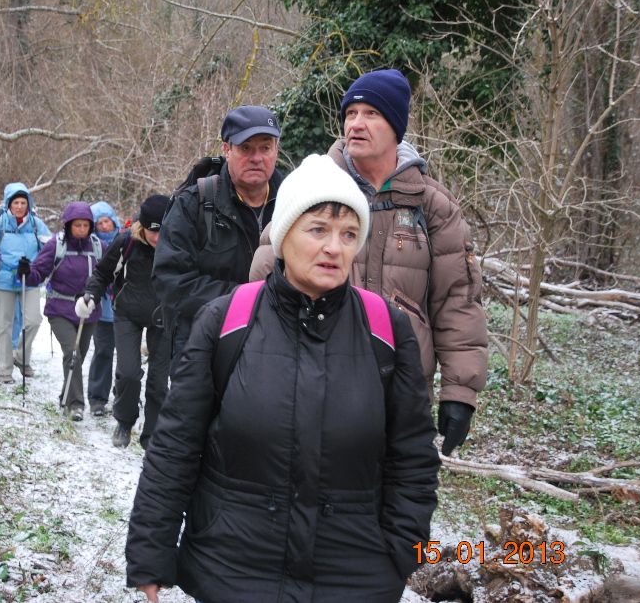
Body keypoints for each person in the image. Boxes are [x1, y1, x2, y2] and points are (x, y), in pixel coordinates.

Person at [126, 155, 440, 603]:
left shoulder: (387, 330)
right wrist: (150, 550)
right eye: (318, 230)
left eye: (349, 234)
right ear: (283, 234)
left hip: (354, 576)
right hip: (232, 570)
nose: (335, 247)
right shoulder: (226, 320)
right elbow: (176, 444)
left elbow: (413, 457)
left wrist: (401, 553)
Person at [250, 69, 487, 456]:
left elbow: (457, 298)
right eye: (351, 114)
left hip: (400, 385)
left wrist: (460, 390)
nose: (356, 124)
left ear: (396, 126)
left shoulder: (433, 206)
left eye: (372, 114)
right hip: (311, 375)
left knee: (391, 499)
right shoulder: (314, 186)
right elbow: (263, 275)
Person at [152, 105, 285, 374]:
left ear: (276, 151)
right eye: (245, 148)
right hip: (202, 347)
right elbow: (169, 280)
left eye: (265, 147)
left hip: (274, 349)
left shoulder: (295, 206)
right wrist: (244, 299)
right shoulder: (194, 205)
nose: (257, 157)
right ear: (226, 150)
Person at [79, 195, 171, 450]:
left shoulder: (178, 243)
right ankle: (124, 421)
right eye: (153, 231)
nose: (158, 237)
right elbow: (102, 273)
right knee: (129, 373)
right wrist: (90, 295)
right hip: (127, 312)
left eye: (163, 230)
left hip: (163, 316)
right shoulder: (126, 241)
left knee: (159, 382)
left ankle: (152, 436)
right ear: (143, 226)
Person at [19, 201, 102, 421]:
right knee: (72, 353)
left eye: (85, 225)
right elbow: (39, 272)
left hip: (88, 310)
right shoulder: (57, 245)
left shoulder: (97, 246)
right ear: (68, 225)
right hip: (60, 309)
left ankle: (66, 395)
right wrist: (27, 272)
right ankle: (76, 405)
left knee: (78, 357)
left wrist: (97, 294)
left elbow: (107, 277)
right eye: (77, 225)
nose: (82, 230)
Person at [0, 183, 50, 384]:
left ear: (28, 204)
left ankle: (21, 357)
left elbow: (51, 250)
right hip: (4, 280)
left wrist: (40, 267)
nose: (19, 206)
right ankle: (5, 370)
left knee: (34, 320)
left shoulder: (36, 225)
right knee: (4, 326)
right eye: (16, 202)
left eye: (23, 203)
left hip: (30, 279)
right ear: (9, 203)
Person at [86, 201, 122, 416]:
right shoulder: (92, 245)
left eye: (106, 221)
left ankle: (124, 395)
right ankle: (98, 397)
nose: (104, 226)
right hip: (103, 310)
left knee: (128, 357)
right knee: (103, 352)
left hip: (126, 309)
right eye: (99, 223)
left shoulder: (126, 240)